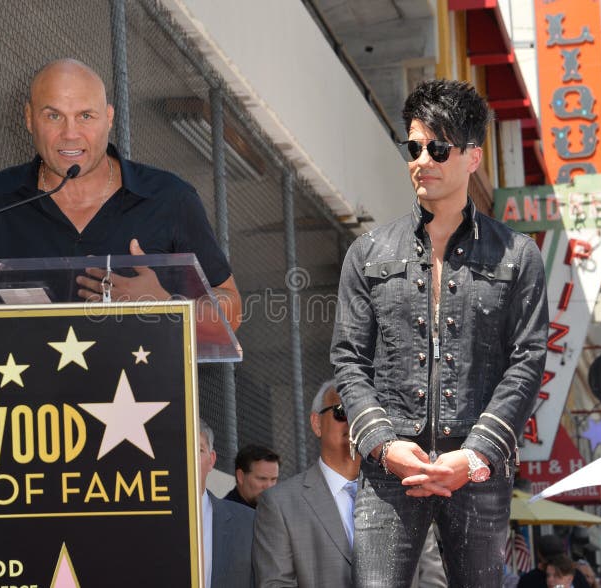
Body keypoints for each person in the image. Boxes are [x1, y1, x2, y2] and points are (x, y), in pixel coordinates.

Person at [330, 78, 549, 587]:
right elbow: (348, 359)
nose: (422, 160)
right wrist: (384, 445)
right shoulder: (367, 253)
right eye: (414, 146)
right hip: (390, 469)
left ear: (472, 157)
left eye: (438, 147)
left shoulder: (518, 256)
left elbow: (527, 362)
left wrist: (474, 455)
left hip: (477, 468)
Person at [0, 58, 240, 330]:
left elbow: (232, 309)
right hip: (23, 393)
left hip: (141, 393)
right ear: (29, 119)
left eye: (85, 116)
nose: (70, 133)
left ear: (109, 117)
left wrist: (163, 304)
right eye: (53, 116)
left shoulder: (170, 199)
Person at [252, 380, 360, 587]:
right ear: (316, 424)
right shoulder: (279, 504)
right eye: (342, 411)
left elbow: (429, 576)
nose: (353, 422)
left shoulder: (400, 493)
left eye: (361, 413)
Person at [199, 419, 255, 588]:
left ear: (212, 460)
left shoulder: (249, 523)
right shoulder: (146, 520)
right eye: (181, 448)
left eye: (199, 450)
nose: (188, 456)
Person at [518, 535, 591, 588]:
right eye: (549, 575)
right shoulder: (577, 575)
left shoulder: (528, 580)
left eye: (557, 576)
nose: (550, 580)